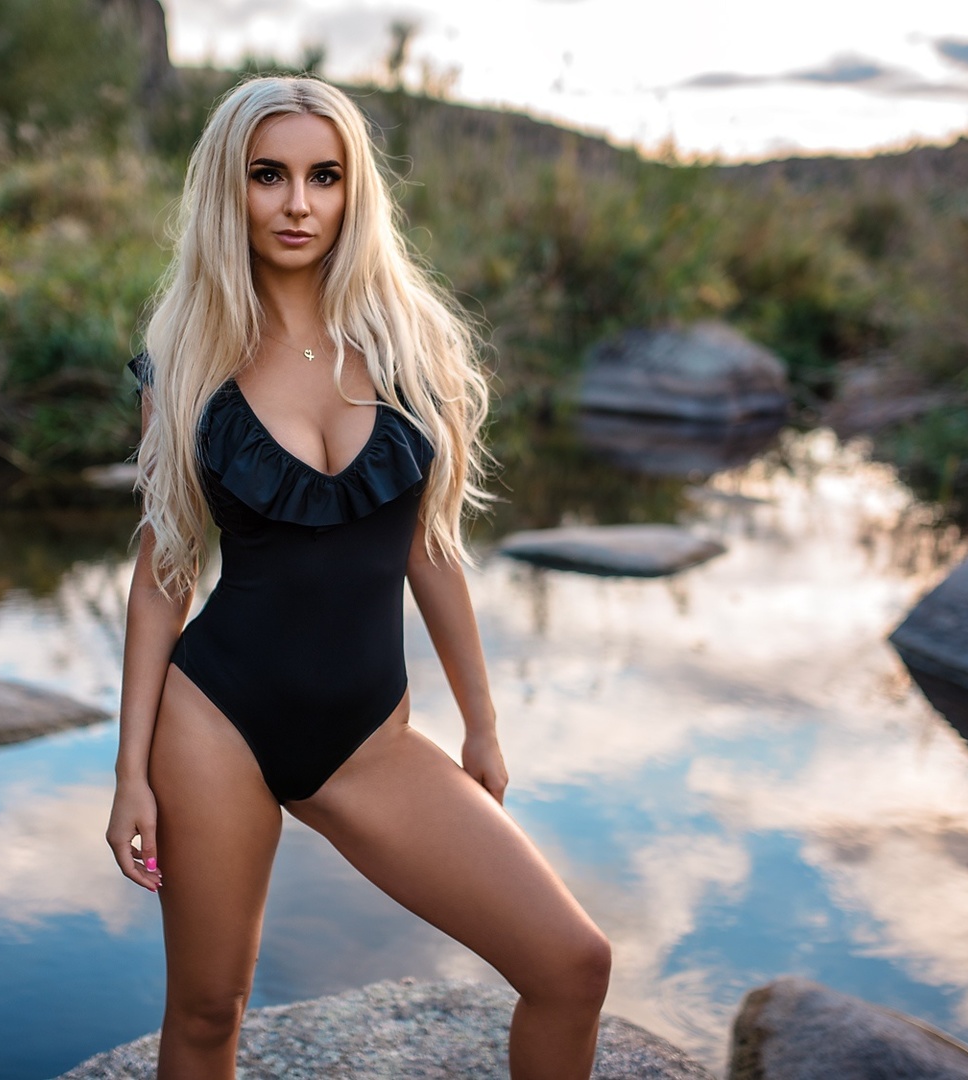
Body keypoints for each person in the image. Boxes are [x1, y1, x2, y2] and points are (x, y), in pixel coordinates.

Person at [105, 74, 613, 1080]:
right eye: (270, 176)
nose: (299, 204)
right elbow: (165, 564)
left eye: (323, 176)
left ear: (353, 191)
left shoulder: (403, 345)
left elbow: (430, 546)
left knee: (572, 964)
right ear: (229, 189)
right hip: (216, 722)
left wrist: (481, 722)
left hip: (370, 735)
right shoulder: (188, 356)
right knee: (208, 1013)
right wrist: (130, 773)